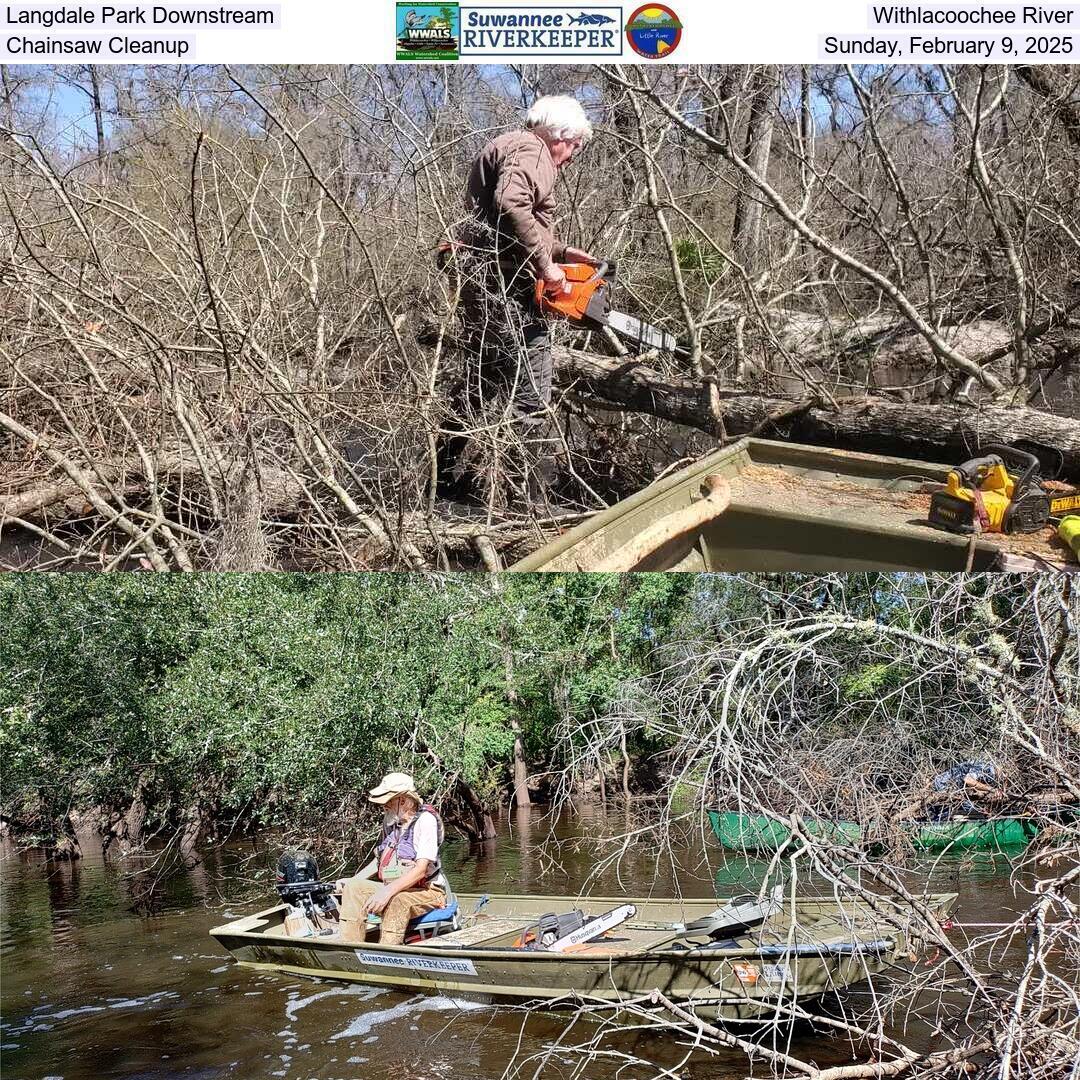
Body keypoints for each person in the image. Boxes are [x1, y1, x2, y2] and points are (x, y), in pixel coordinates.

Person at [444, 95, 599, 502]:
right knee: (532, 393)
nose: (572, 157)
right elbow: (510, 204)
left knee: (483, 381)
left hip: (485, 281)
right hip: (505, 289)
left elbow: (502, 219)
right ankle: (523, 499)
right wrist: (548, 269)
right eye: (575, 146)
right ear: (560, 136)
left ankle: (442, 478)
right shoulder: (533, 149)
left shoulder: (511, 144)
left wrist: (562, 253)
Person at [336, 772, 450, 945]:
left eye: (388, 801)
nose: (384, 806)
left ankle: (388, 952)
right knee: (353, 888)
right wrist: (353, 879)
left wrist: (386, 892)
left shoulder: (426, 821)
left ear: (403, 801)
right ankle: (349, 949)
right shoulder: (391, 822)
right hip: (396, 886)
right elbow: (380, 860)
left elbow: (420, 870)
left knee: (398, 901)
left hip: (429, 891)